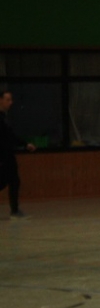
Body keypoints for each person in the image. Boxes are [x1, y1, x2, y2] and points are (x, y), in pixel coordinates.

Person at [0, 91, 36, 220]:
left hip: (7, 154)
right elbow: (8, 136)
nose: (11, 103)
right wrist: (25, 144)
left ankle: (15, 211)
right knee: (5, 181)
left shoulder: (4, 117)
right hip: (3, 155)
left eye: (11, 100)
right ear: (0, 100)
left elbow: (10, 136)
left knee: (13, 180)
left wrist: (24, 144)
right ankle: (14, 211)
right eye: (8, 100)